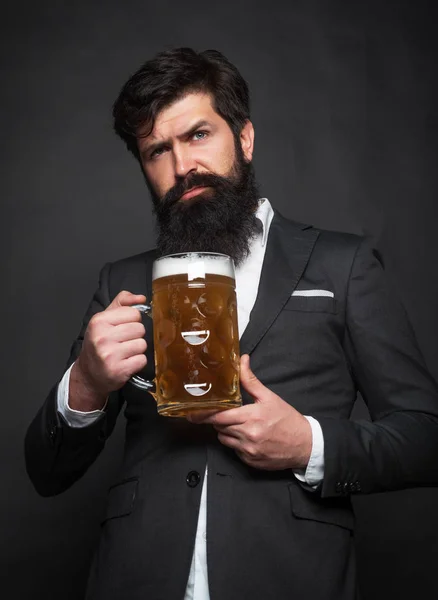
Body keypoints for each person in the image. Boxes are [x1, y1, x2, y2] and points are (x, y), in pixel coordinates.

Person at [25, 47, 438, 600]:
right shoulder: (120, 282)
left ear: (243, 137)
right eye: (156, 151)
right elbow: (47, 474)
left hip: (291, 577)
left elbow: (425, 437)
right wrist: (86, 383)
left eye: (198, 135)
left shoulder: (345, 265)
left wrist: (307, 446)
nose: (181, 167)